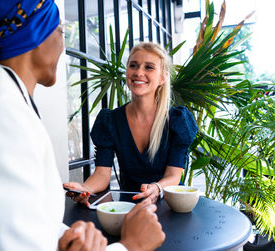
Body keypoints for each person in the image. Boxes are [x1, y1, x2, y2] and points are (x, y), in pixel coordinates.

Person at [0, 1, 165, 250]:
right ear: (38, 34)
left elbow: (15, 217)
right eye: (61, 32)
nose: (63, 46)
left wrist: (64, 236)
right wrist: (131, 245)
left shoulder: (0, 109)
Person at [64, 42, 198, 207]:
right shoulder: (110, 121)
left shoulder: (177, 121)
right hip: (128, 209)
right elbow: (101, 175)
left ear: (163, 77)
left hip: (169, 207)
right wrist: (84, 188)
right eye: (133, 65)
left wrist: (157, 188)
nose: (139, 72)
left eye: (149, 67)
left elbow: (173, 176)